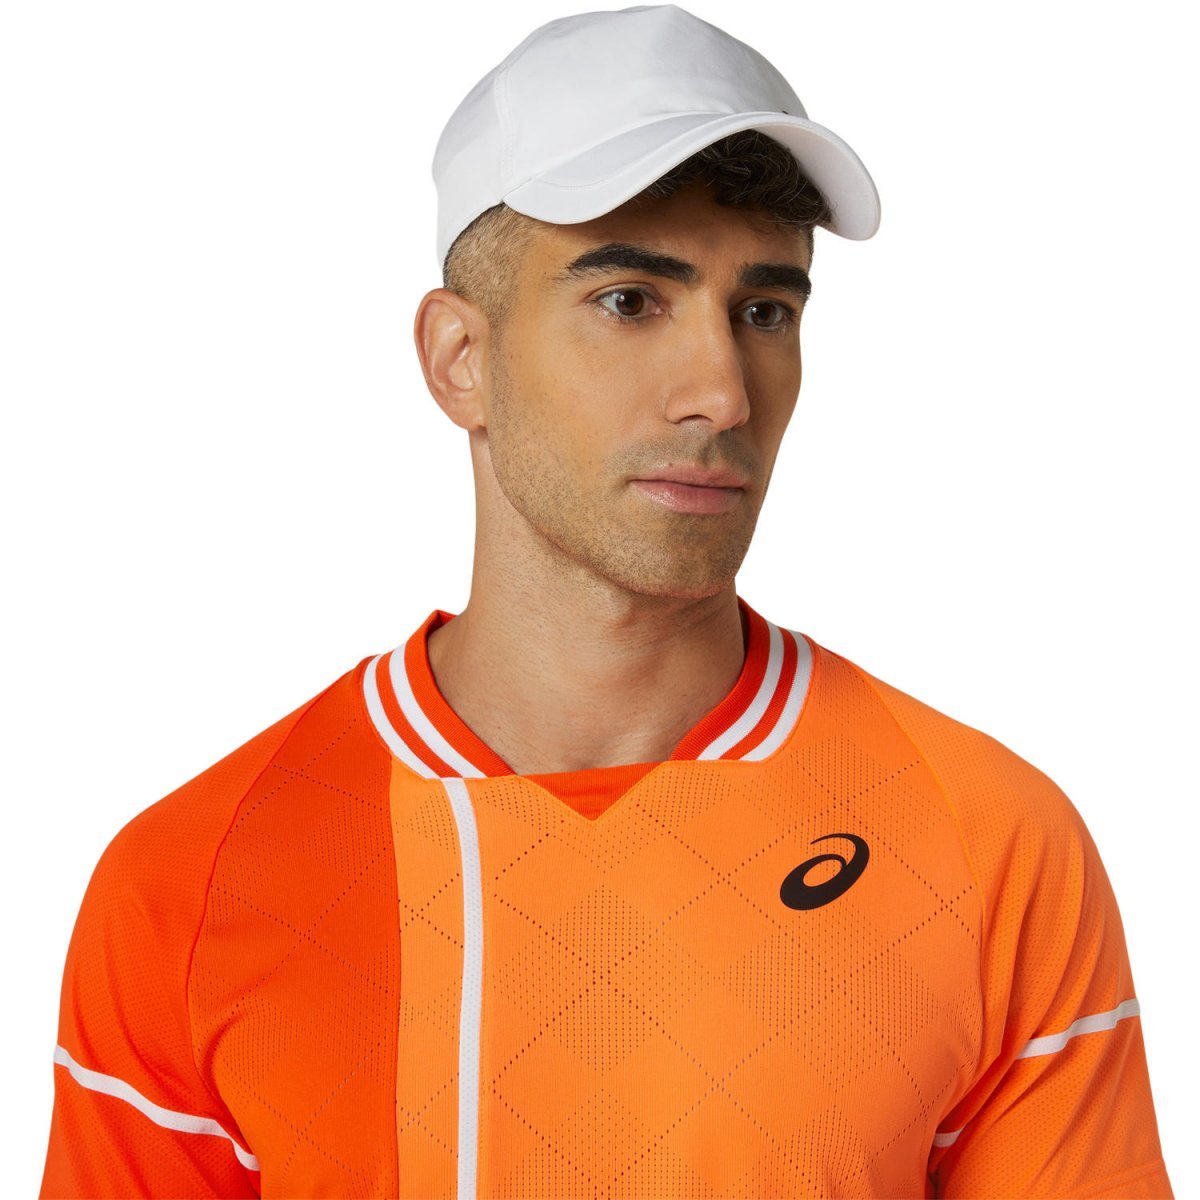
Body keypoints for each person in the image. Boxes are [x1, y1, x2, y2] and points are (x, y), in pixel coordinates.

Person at [39, 4, 1172, 1197]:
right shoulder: (195, 882)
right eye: (631, 300)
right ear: (460, 361)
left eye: (765, 312)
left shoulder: (989, 846)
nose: (722, 393)